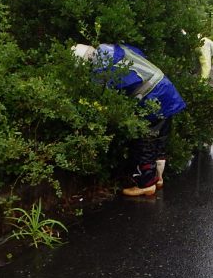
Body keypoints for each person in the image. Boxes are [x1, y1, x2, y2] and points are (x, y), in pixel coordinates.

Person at [72, 43, 186, 196]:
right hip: (165, 87)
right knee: (160, 141)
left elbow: (101, 95)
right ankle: (158, 179)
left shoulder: (100, 69)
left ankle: (146, 184)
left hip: (152, 97)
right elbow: (140, 56)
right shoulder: (115, 48)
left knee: (144, 142)